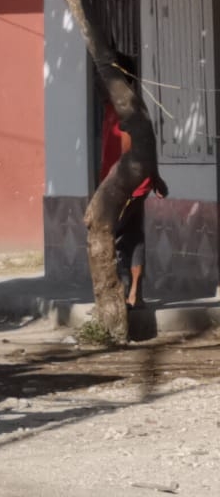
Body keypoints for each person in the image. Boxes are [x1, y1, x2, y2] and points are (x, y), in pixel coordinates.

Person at [98, 55, 161, 309]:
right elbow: (149, 144)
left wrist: (118, 185)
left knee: (116, 236)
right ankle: (135, 293)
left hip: (125, 185)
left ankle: (124, 293)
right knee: (133, 236)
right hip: (132, 183)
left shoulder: (127, 109)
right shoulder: (122, 107)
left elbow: (129, 149)